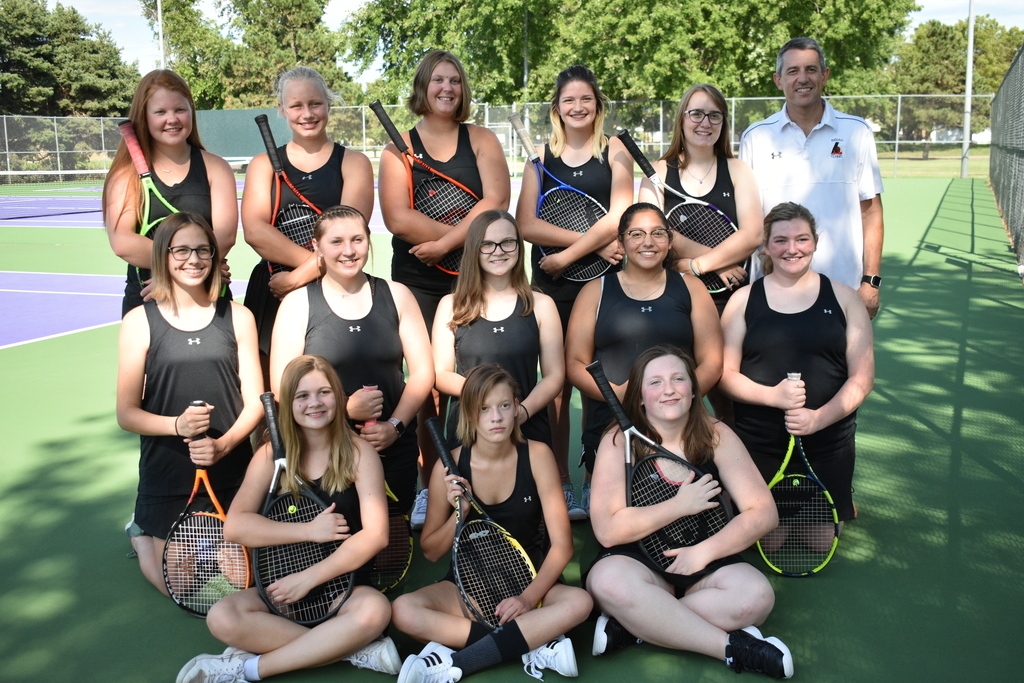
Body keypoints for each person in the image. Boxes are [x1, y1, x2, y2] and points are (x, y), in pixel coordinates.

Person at [176, 355, 398, 682]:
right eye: (302, 396)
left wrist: (309, 578)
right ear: (288, 405)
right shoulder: (270, 455)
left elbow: (376, 535)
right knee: (223, 616)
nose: (314, 403)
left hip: (344, 589)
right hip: (281, 592)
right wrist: (309, 531)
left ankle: (248, 668)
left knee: (374, 611)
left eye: (324, 392)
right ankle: (351, 648)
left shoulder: (359, 453)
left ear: (338, 397)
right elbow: (236, 527)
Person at [585, 345, 792, 679]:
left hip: (704, 562)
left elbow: (763, 513)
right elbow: (607, 530)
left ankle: (634, 625)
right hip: (638, 562)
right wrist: (678, 506)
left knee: (756, 598)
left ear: (694, 391)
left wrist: (703, 552)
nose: (668, 389)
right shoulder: (617, 441)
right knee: (607, 582)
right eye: (655, 382)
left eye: (678, 379)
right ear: (640, 397)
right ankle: (733, 649)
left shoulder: (717, 435)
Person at [391, 364, 593, 683]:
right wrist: (461, 512)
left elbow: (562, 545)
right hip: (468, 588)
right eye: (484, 409)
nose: (496, 417)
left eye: (504, 406)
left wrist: (527, 599)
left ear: (516, 407)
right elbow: (431, 551)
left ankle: (461, 658)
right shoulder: (449, 467)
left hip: (532, 583)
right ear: (469, 415)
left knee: (580, 602)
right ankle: (532, 641)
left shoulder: (538, 455)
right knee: (403, 611)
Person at [377, 50, 511, 527]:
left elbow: (496, 201)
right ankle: (431, 485)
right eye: (438, 80)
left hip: (478, 275)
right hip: (419, 279)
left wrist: (449, 244)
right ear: (423, 86)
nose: (447, 88)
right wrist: (449, 243)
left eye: (455, 80)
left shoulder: (482, 139)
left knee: (483, 376)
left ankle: (493, 476)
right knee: (429, 386)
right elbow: (398, 218)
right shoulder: (397, 149)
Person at [115, 212, 262, 596]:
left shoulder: (239, 317)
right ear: (163, 256)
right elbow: (126, 413)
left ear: (215, 256)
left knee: (244, 579)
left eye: (202, 250)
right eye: (181, 250)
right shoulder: (139, 321)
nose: (193, 259)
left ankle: (210, 538)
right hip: (167, 469)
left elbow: (256, 404)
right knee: (179, 587)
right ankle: (141, 535)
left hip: (231, 467)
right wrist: (176, 426)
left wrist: (223, 445)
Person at [515, 64, 634, 520]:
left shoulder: (616, 150)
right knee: (557, 387)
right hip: (553, 287)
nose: (578, 107)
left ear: (597, 105)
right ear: (557, 108)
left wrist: (568, 255)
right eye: (569, 100)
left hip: (604, 284)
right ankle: (561, 481)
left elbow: (620, 213)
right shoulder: (540, 157)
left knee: (601, 381)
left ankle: (594, 479)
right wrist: (591, 244)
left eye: (586, 99)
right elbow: (527, 224)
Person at [720, 202, 874, 534]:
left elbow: (862, 379)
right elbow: (725, 376)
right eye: (781, 240)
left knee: (820, 540)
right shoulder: (742, 300)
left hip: (828, 443)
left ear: (815, 242)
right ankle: (740, 494)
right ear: (765, 246)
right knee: (770, 540)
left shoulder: (846, 299)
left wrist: (818, 419)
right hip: (762, 443)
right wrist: (773, 396)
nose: (792, 249)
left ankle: (837, 494)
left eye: (802, 239)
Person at [269, 206, 434, 515]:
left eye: (357, 240)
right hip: (324, 451)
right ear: (317, 247)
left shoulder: (397, 295)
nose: (348, 251)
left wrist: (394, 427)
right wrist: (343, 410)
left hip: (391, 449)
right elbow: (282, 387)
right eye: (336, 242)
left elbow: (423, 373)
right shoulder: (297, 304)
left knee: (391, 543)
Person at [565, 203, 723, 498]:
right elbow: (575, 363)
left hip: (680, 423)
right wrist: (619, 395)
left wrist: (674, 399)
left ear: (670, 240)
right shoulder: (596, 290)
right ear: (621, 241)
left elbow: (712, 362)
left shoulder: (691, 288)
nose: (648, 242)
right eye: (636, 234)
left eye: (657, 233)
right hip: (613, 421)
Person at [738, 37, 885, 318]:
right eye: (793, 71)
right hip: (772, 291)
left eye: (811, 69)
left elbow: (871, 212)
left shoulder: (857, 132)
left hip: (843, 289)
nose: (802, 79)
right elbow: (749, 220)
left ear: (824, 76)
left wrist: (870, 282)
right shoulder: (756, 137)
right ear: (779, 80)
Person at [241, 66, 374, 372]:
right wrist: (321, 266)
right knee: (275, 389)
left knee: (337, 385)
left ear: (328, 104)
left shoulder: (354, 163)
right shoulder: (262, 165)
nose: (307, 113)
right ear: (282, 109)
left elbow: (350, 233)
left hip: (335, 288)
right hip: (273, 288)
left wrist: (298, 277)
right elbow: (255, 231)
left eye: (315, 103)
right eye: (296, 105)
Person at [103, 69, 238, 316]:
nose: (172, 119)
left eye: (180, 110)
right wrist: (183, 271)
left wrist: (182, 273)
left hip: (209, 299)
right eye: (160, 112)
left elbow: (226, 236)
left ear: (191, 112)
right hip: (147, 300)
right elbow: (123, 242)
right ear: (144, 116)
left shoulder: (216, 167)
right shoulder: (125, 174)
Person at [432, 210, 564, 451]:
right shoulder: (451, 305)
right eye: (487, 244)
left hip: (526, 428)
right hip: (469, 429)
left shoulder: (542, 305)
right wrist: (488, 400)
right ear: (474, 249)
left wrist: (521, 412)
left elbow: (554, 375)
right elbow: (441, 374)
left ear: (519, 246)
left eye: (507, 242)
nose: (498, 251)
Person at [638, 84, 762, 315]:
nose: (705, 123)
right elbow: (653, 234)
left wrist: (697, 265)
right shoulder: (657, 173)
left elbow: (753, 235)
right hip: (672, 298)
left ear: (723, 122)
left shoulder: (738, 170)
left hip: (730, 300)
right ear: (682, 119)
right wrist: (721, 264)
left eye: (714, 116)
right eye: (696, 114)